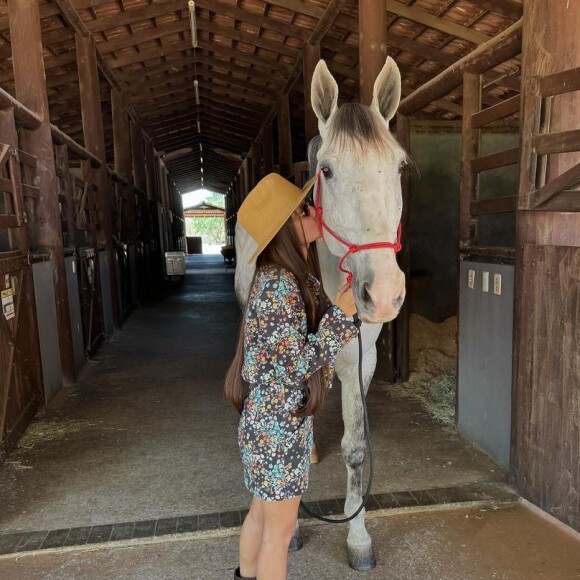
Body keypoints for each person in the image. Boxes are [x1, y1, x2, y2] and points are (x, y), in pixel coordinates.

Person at [225, 173, 360, 580]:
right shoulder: (281, 285)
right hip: (278, 425)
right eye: (304, 210)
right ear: (287, 227)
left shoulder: (282, 278)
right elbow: (294, 365)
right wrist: (342, 318)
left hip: (269, 421)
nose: (313, 213)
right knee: (280, 532)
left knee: (261, 516)